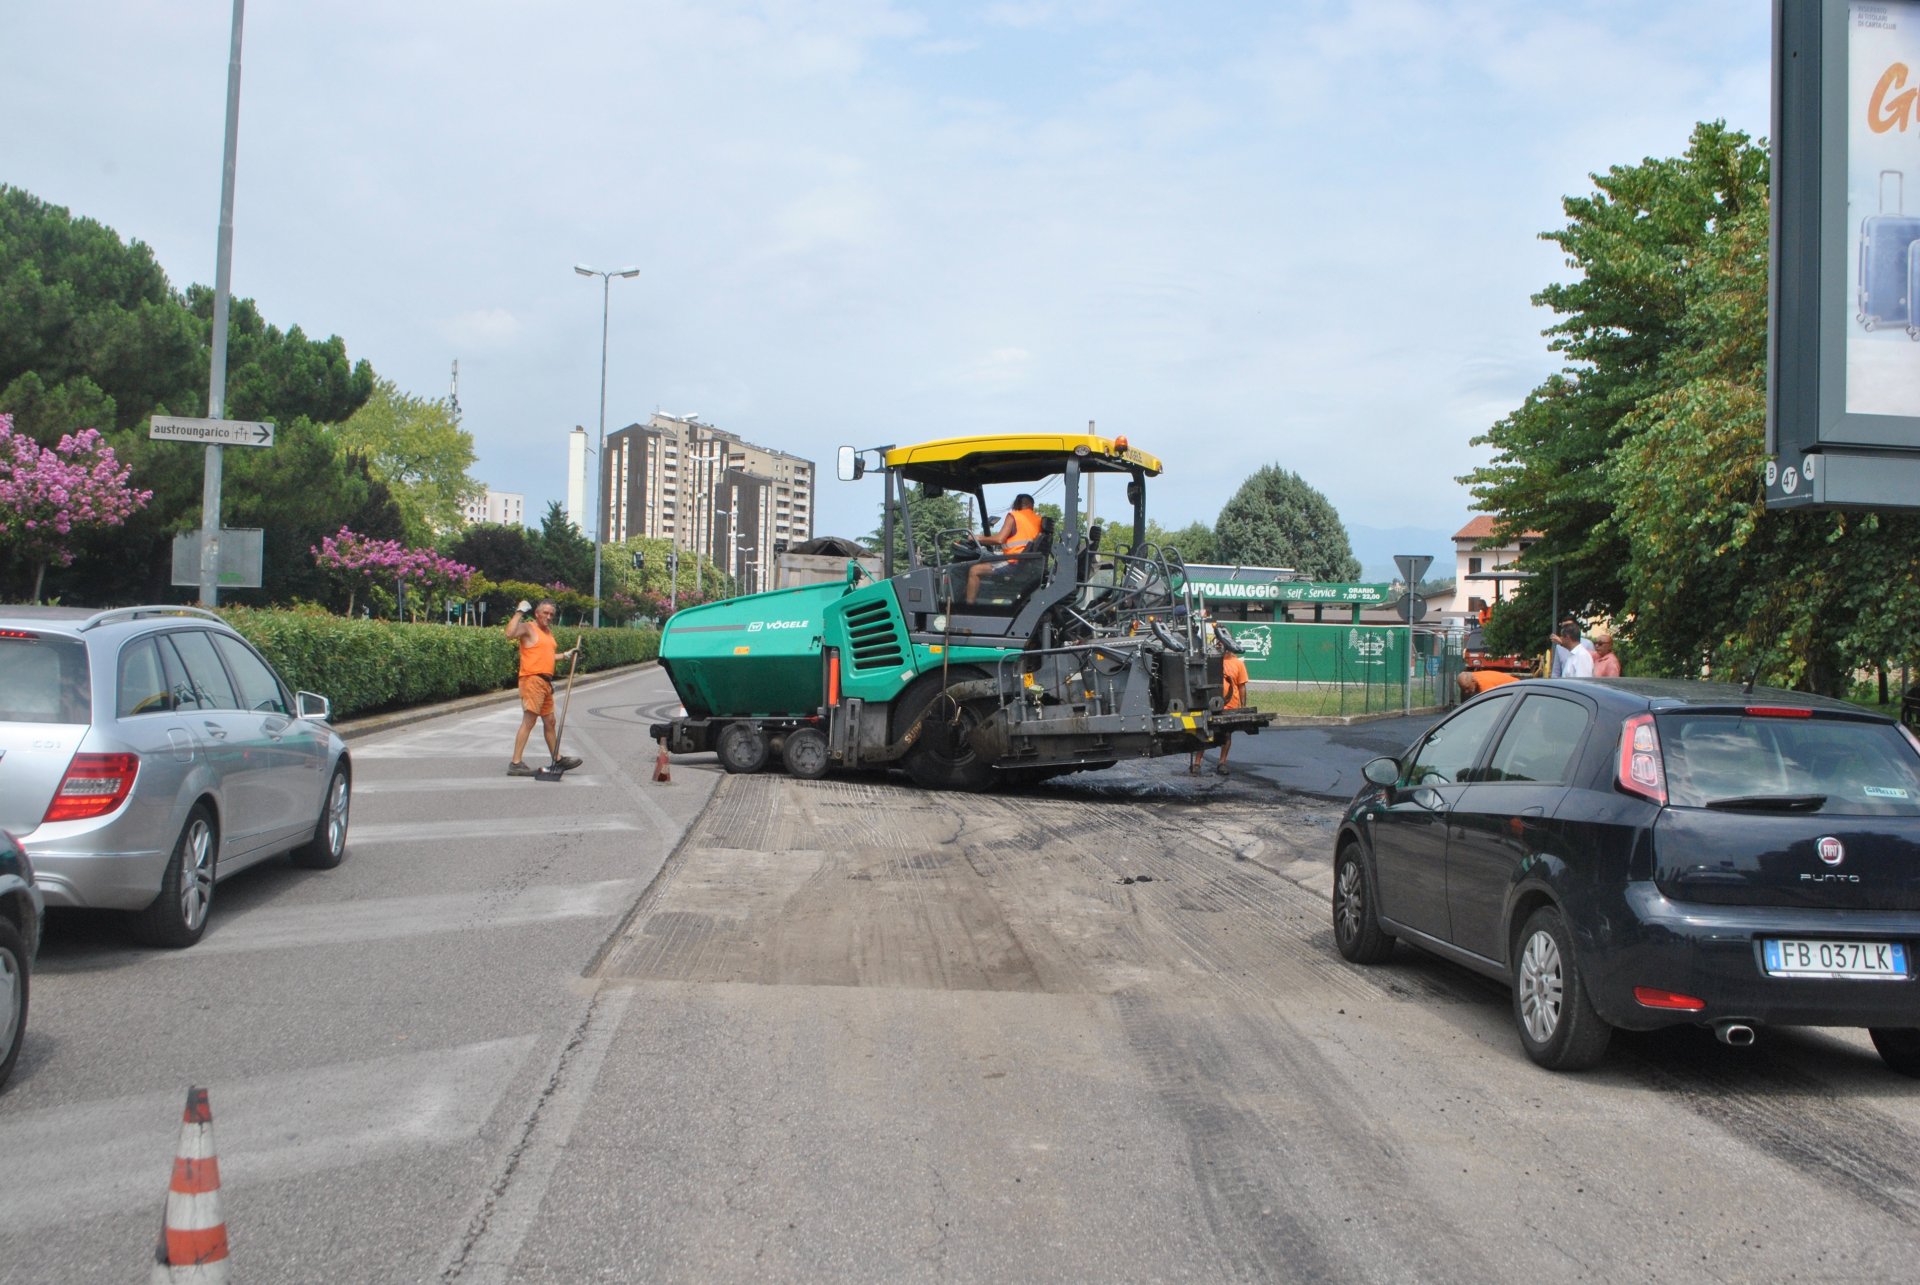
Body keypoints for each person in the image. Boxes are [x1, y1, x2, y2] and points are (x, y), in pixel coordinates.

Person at [505, 599, 583, 777]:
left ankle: (557, 758)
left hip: (545, 682)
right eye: (545, 613)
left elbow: (545, 655)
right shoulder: (529, 627)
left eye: (551, 614)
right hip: (532, 680)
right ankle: (515, 763)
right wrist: (519, 612)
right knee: (529, 720)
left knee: (550, 722)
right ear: (537, 614)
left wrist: (565, 655)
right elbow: (509, 634)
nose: (549, 617)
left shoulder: (547, 633)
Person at [963, 493, 1043, 605]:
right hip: (1028, 562)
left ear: (1020, 504)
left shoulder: (1014, 516)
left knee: (974, 570)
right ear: (1031, 505)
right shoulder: (1039, 519)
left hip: (1014, 562)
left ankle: (968, 608)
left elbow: (999, 539)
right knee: (988, 562)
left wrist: (978, 538)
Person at [1191, 629, 1250, 776]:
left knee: (1226, 735)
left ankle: (1222, 763)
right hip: (1210, 704)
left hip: (1231, 705)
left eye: (1222, 642)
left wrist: (1243, 706)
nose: (1219, 644)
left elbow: (1242, 686)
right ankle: (1197, 763)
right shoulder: (1210, 660)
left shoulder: (1238, 664)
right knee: (1204, 733)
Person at [1457, 668, 1521, 702]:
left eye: (1467, 688)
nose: (1466, 692)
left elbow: (1492, 703)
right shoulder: (1472, 676)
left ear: (1473, 681)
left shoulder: (1485, 686)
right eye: (1463, 689)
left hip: (1517, 689)